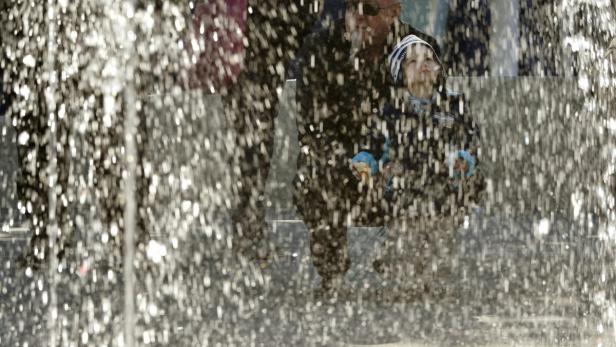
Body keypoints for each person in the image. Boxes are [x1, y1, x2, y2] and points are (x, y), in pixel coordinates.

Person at [294, 0, 435, 292]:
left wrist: (393, 163)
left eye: (370, 9)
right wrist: (355, 163)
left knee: (440, 170)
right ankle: (330, 270)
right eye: (351, 6)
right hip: (344, 168)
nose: (358, 17)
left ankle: (406, 261)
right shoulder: (321, 49)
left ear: (394, 12)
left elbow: (431, 125)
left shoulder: (420, 52)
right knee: (312, 169)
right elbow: (312, 129)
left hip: (397, 169)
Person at [187, 1, 322, 266]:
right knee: (253, 140)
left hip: (260, 33)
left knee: (253, 139)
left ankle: (245, 229)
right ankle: (245, 231)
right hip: (255, 34)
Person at [359, 34, 483, 296]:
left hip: (443, 189)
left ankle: (432, 277)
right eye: (412, 61)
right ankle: (401, 269)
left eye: (429, 59)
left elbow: (469, 137)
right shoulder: (392, 110)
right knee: (408, 237)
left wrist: (464, 158)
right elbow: (372, 140)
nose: (423, 64)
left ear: (439, 69)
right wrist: (366, 161)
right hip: (405, 189)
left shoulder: (452, 105)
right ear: (400, 74)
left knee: (440, 239)